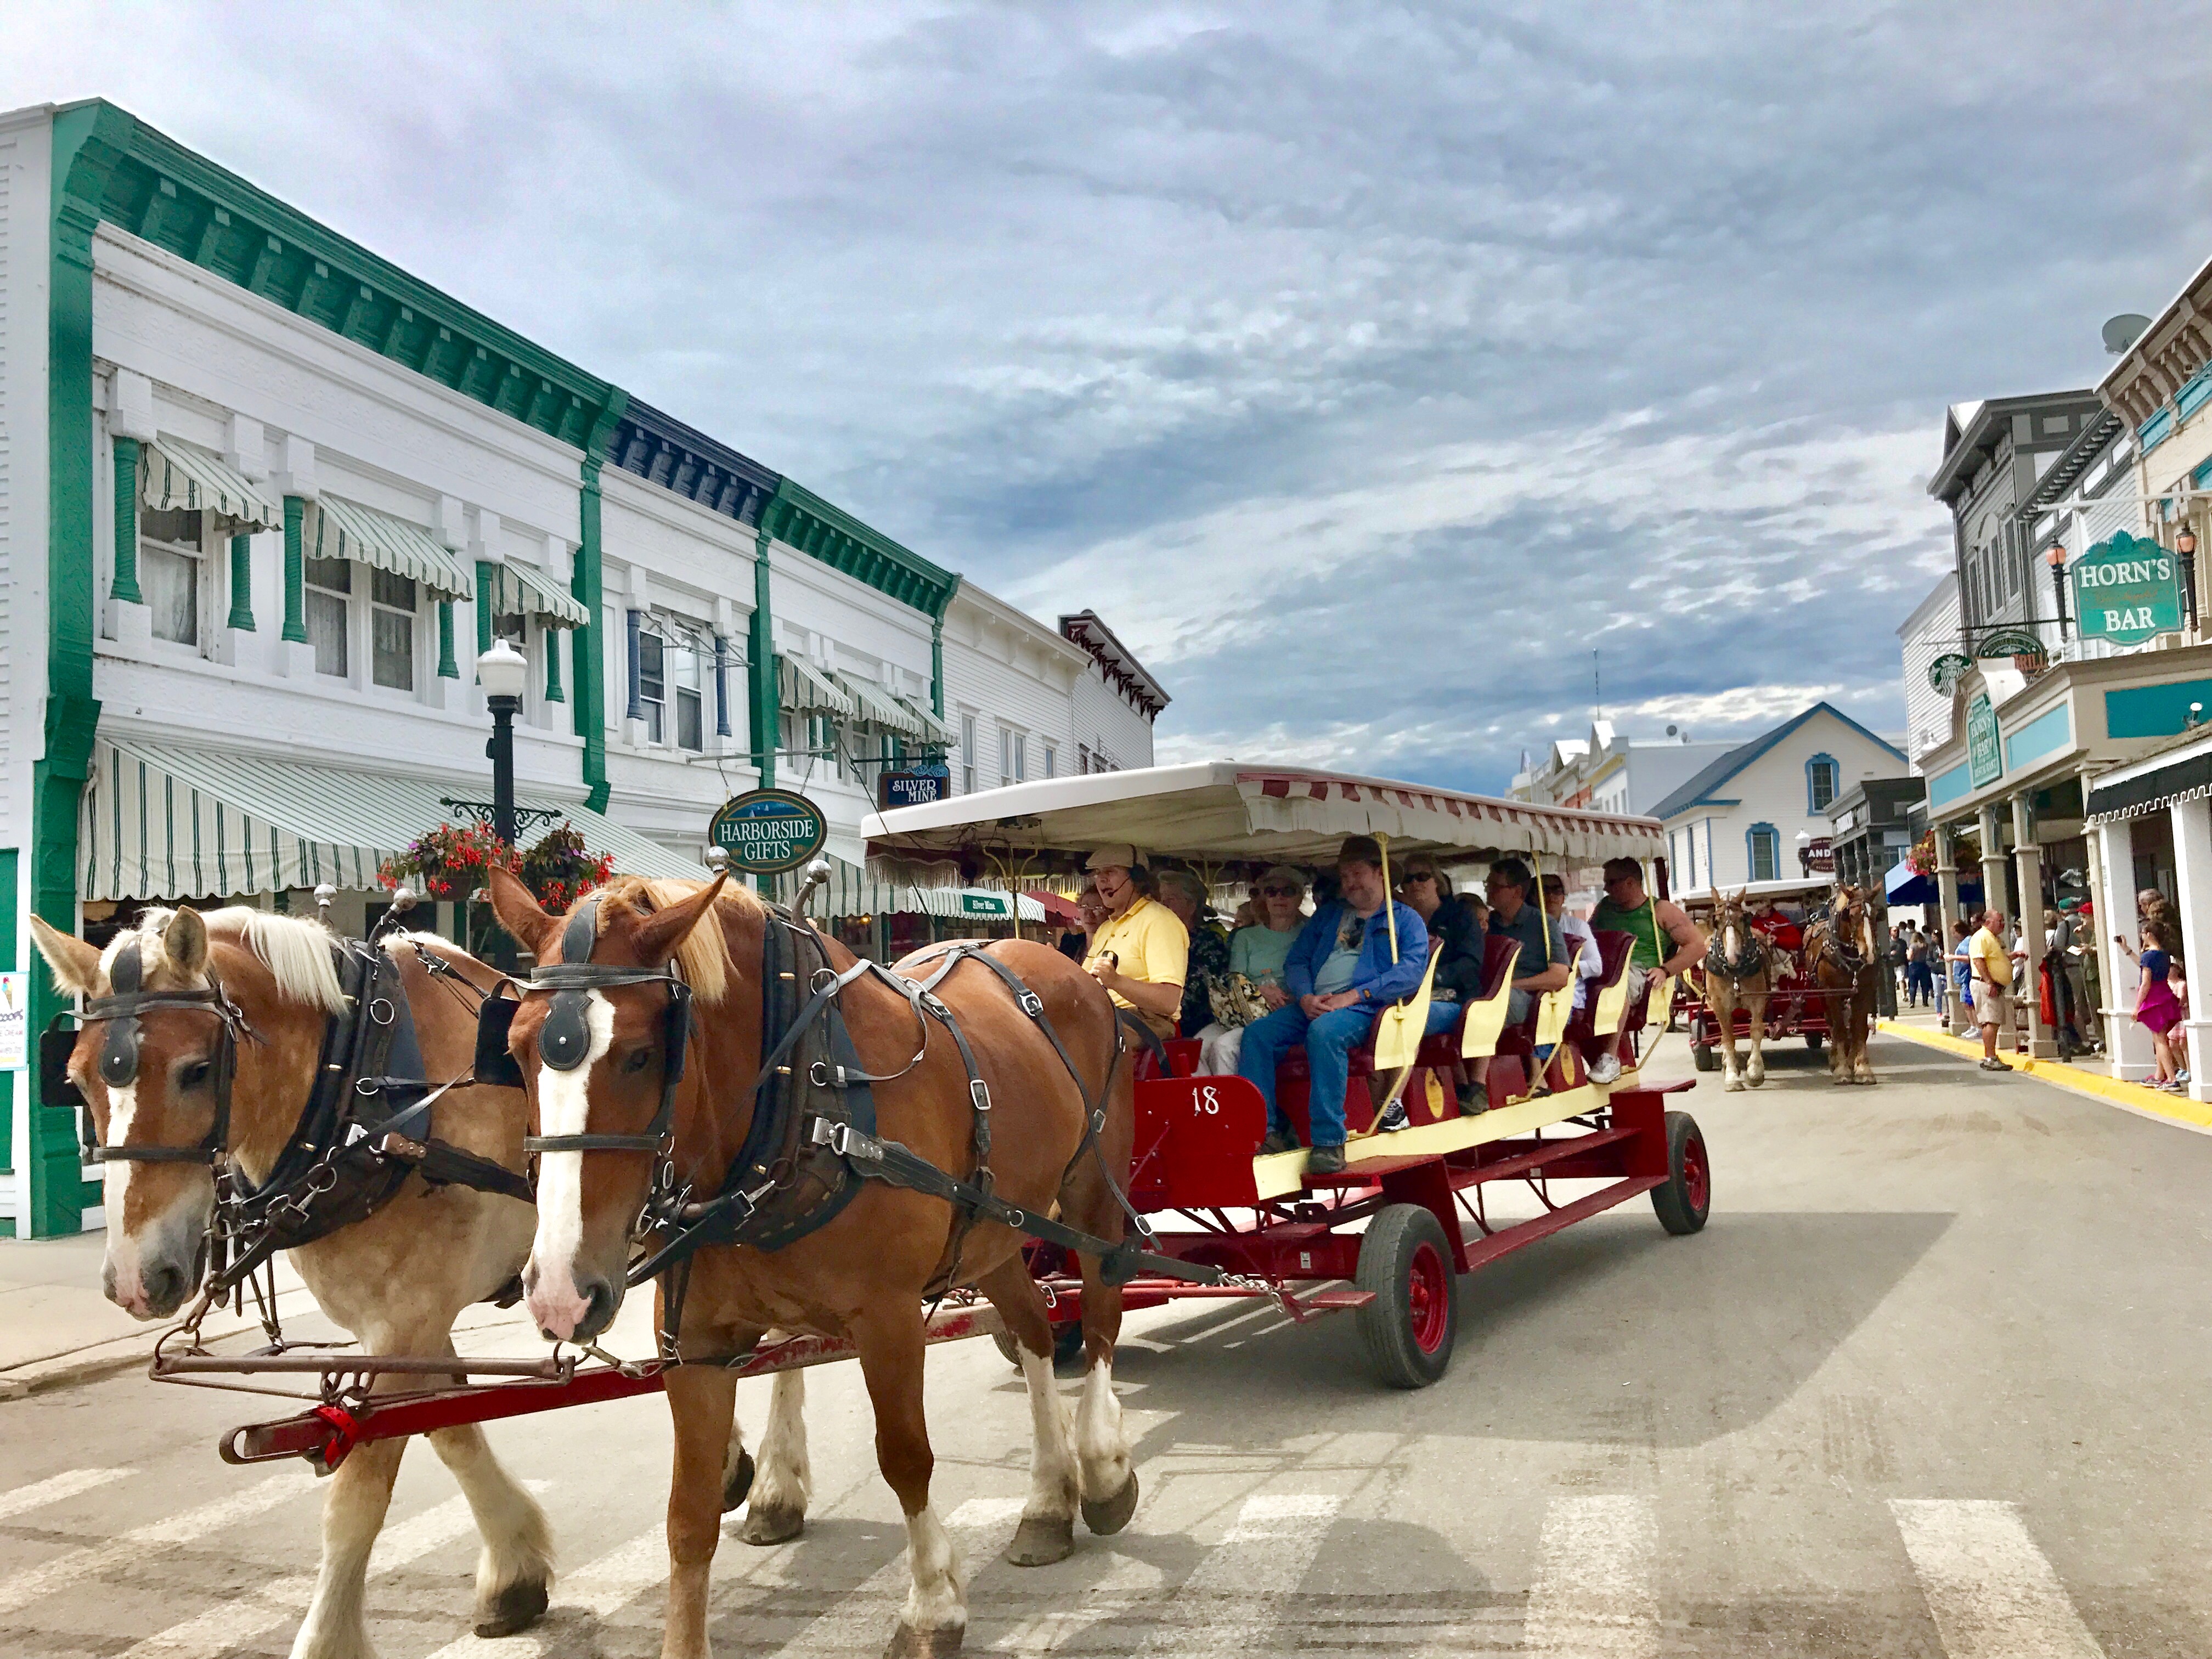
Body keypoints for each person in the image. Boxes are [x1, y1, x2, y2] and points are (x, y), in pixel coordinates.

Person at [1237, 836, 1429, 1174]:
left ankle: (1329, 1141)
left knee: (1325, 1033)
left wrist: (1355, 996)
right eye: (1344, 876)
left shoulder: (1406, 919)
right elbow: (1297, 962)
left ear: (1380, 873)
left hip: (1367, 1008)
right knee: (1257, 1035)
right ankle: (1265, 1132)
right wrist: (1306, 996)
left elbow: (1411, 973)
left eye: (1357, 874)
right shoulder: (1328, 917)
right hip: (1315, 1003)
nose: (1349, 883)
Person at [1586, 859, 1707, 1082]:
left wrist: (1666, 970)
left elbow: (1698, 945)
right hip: (1600, 967)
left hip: (1638, 971)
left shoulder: (1660, 910)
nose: (1606, 888)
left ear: (1631, 883)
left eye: (1611, 882)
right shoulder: (1604, 908)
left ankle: (1610, 1059)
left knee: (1617, 988)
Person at [1196, 866, 1306, 1076]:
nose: (1279, 897)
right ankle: (1209, 1105)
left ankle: (1236, 1107)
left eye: (1288, 891)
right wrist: (1259, 991)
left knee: (1224, 1048)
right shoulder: (1246, 937)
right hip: (1243, 1008)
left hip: (1284, 1012)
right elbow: (1235, 979)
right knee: (1198, 1046)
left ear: (1300, 897)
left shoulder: (1309, 933)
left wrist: (1289, 997)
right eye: (1271, 891)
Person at [1396, 857, 1485, 1116]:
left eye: (1422, 877)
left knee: (1407, 1020)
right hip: (1409, 995)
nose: (1415, 884)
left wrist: (1431, 978)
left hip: (1457, 998)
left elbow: (1470, 963)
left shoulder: (1461, 916)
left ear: (1438, 882)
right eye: (1408, 880)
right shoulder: (1401, 920)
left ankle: (1393, 1103)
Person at [1081, 844, 1187, 1041]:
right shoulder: (1106, 928)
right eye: (1098, 873)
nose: (1101, 879)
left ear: (1137, 878)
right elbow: (1084, 984)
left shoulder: (1159, 921)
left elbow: (1168, 1002)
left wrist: (1116, 981)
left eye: (1110, 872)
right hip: (1104, 1016)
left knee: (1077, 1041)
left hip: (1147, 1021)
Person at [1154, 867, 1231, 1039]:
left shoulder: (1208, 941)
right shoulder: (1154, 939)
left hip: (1196, 1024)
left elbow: (1198, 993)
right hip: (1156, 1017)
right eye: (1160, 901)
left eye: (1170, 900)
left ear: (1191, 905)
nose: (1162, 906)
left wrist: (1157, 1010)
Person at [2119, 915, 2188, 1090]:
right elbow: (2143, 964)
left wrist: (2137, 1007)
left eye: (2143, 933)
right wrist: (2127, 950)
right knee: (2160, 1037)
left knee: (2160, 1041)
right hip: (2165, 996)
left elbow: (2145, 983)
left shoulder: (2149, 955)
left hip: (2154, 999)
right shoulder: (2163, 955)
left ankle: (2172, 1079)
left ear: (2149, 934)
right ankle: (2159, 1076)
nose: (2142, 936)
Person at [1541, 873, 1606, 1010]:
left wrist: (1563, 970)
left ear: (1563, 898)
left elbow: (1596, 966)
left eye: (1556, 890)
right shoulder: (1530, 927)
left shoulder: (1577, 926)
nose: (1551, 896)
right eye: (1545, 890)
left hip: (1569, 995)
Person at [1968, 908, 2016, 1071]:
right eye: (1999, 921)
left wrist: (2012, 957)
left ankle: (1991, 1055)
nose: (2003, 924)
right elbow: (1979, 961)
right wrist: (1989, 982)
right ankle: (1990, 1057)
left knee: (1993, 1021)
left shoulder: (1994, 938)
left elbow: (1995, 959)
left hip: (1994, 985)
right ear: (1988, 922)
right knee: (1990, 1021)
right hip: (1985, 984)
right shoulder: (1981, 937)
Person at [1056, 877, 1105, 964]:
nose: (1089, 914)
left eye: (1097, 909)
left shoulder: (1116, 944)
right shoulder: (1070, 944)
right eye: (1084, 907)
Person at [1904, 923, 1934, 1009]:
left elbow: (1910, 957)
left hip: (1914, 966)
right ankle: (1925, 1002)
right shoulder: (1925, 946)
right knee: (1925, 985)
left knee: (1913, 986)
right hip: (1924, 965)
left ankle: (1912, 1002)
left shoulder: (1913, 946)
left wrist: (1907, 954)